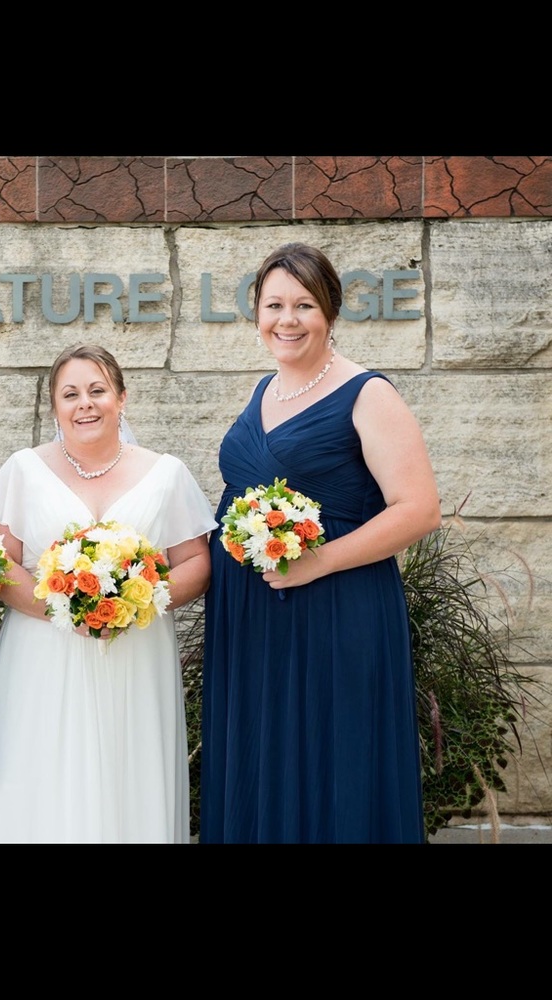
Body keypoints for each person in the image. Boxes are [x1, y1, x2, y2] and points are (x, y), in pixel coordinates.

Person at [200, 242, 441, 844]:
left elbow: (419, 510)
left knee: (332, 757)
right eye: (274, 304)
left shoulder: (368, 394)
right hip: (254, 618)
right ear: (256, 313)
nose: (287, 319)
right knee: (265, 754)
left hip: (335, 610)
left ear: (330, 312)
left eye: (304, 304)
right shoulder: (264, 391)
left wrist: (320, 562)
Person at [0, 344, 216, 844]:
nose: (85, 404)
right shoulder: (23, 469)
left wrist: (135, 602)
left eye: (98, 391)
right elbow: (0, 564)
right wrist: (68, 610)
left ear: (122, 399)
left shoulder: (166, 474)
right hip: (42, 653)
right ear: (55, 406)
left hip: (136, 650)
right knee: (41, 774)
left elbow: (198, 564)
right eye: (70, 394)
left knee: (130, 770)